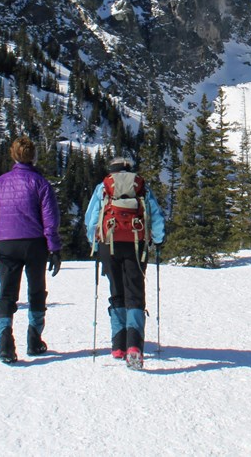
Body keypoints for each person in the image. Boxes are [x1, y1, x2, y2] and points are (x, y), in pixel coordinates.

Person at [0, 136, 62, 364]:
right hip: (34, 243)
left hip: (6, 243)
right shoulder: (40, 183)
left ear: (13, 155)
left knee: (7, 293)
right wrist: (54, 248)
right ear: (33, 156)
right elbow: (50, 221)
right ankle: (34, 340)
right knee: (36, 291)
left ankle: (5, 343)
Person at [84, 156, 165, 370]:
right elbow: (155, 215)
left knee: (116, 290)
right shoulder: (141, 187)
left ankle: (118, 345)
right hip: (136, 244)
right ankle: (134, 347)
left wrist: (94, 240)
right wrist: (158, 239)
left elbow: (91, 218)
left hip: (108, 242)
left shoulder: (103, 187)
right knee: (135, 293)